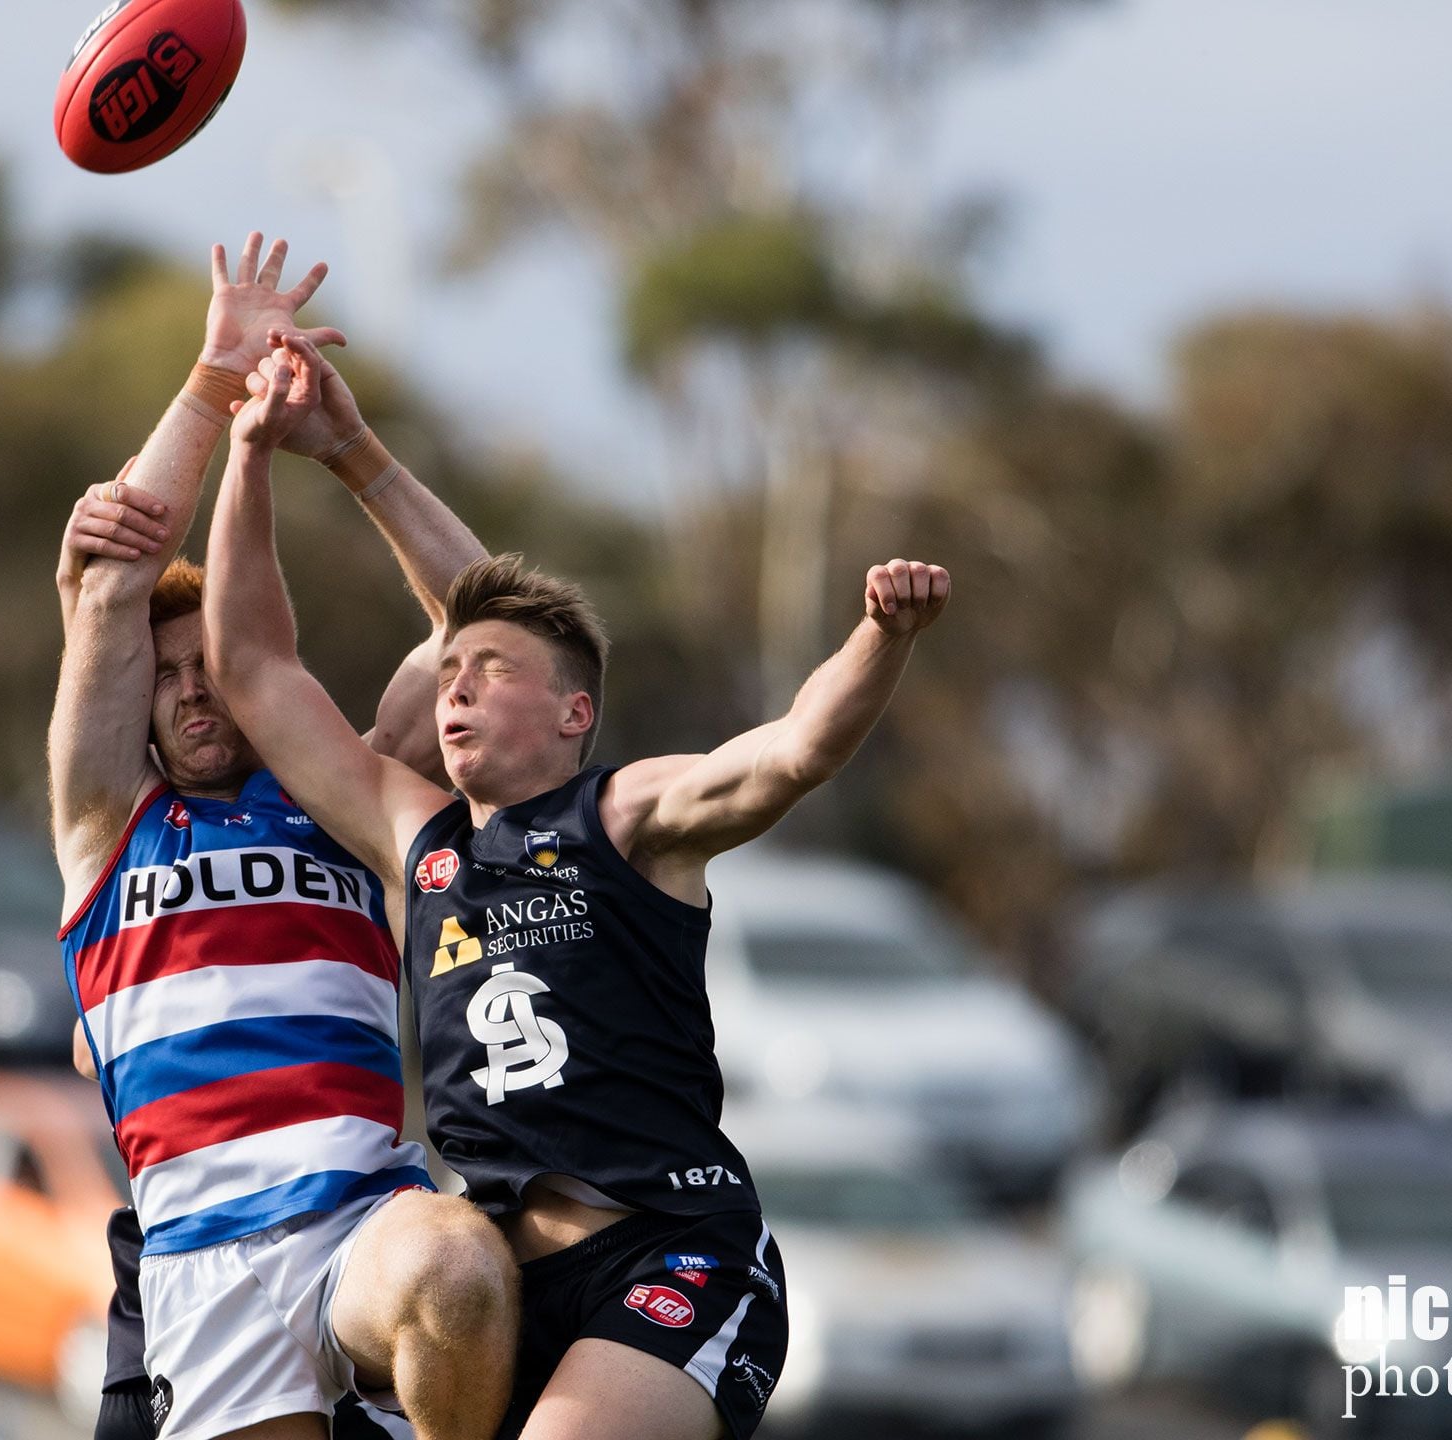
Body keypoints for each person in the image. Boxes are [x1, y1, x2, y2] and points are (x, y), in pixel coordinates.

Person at [202, 336, 953, 1440]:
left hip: (670, 1250)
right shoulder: (419, 841)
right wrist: (252, 451)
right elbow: (255, 671)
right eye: (445, 675)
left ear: (572, 713)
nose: (451, 694)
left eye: (487, 673)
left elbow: (793, 750)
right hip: (503, 1282)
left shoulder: (627, 817)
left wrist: (881, 636)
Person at [50, 234, 518, 1440]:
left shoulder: (354, 796)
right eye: (167, 678)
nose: (196, 691)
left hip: (359, 1212)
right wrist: (211, 382)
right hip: (200, 1260)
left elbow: (500, 633)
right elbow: (110, 587)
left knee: (460, 1272)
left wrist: (353, 455)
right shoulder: (109, 826)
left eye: (212, 662)